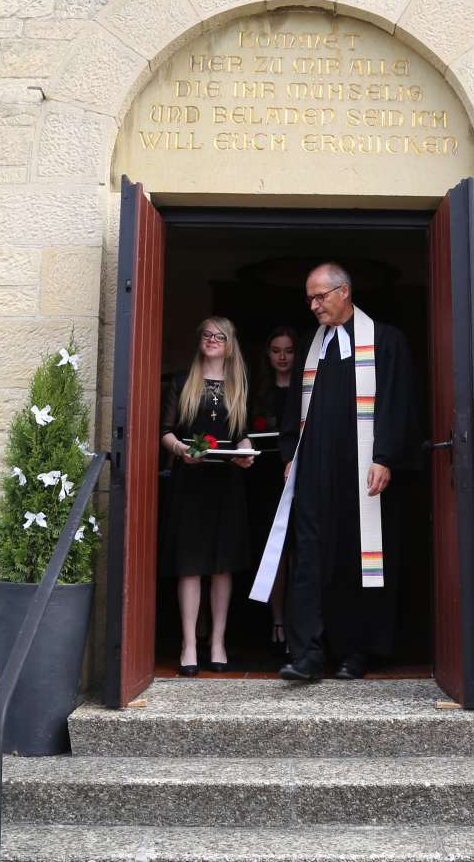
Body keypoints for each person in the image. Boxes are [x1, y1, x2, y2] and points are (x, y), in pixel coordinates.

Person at [250, 263, 416, 682]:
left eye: (320, 296)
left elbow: (397, 403)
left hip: (363, 473)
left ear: (344, 292)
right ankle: (306, 654)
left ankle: (352, 653)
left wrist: (385, 457)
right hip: (313, 471)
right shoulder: (311, 344)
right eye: (310, 298)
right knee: (308, 559)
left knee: (355, 561)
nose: (313, 305)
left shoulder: (385, 341)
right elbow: (294, 411)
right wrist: (290, 453)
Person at [159, 316, 256, 676]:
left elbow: (243, 433)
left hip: (226, 482)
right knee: (190, 562)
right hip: (191, 481)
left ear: (230, 344)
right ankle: (188, 644)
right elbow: (165, 432)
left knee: (222, 563)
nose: (212, 340)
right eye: (206, 335)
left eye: (220, 336)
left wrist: (246, 451)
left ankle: (217, 641)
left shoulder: (238, 385)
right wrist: (181, 449)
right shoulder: (183, 382)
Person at [248, 326, 299, 654]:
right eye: (276, 350)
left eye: (289, 350)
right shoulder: (256, 393)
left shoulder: (304, 389)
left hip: (300, 476)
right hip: (265, 480)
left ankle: (300, 622)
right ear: (267, 355)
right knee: (274, 552)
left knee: (300, 551)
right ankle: (277, 619)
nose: (282, 356)